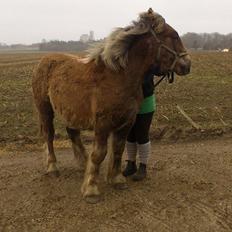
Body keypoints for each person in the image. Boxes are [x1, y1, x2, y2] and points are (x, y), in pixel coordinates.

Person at [123, 67, 156, 181]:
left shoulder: (148, 60)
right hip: (128, 102)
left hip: (145, 101)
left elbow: (158, 69)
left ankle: (143, 167)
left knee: (142, 135)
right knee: (130, 135)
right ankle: (131, 164)